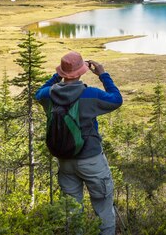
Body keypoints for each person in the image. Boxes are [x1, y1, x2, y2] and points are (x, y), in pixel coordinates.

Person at [35, 51, 122, 235]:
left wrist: (57, 77)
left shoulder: (48, 95)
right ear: (82, 71)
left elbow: (38, 93)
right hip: (91, 160)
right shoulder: (90, 94)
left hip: (65, 161)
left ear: (63, 72)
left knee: (73, 213)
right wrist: (103, 75)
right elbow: (116, 100)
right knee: (103, 208)